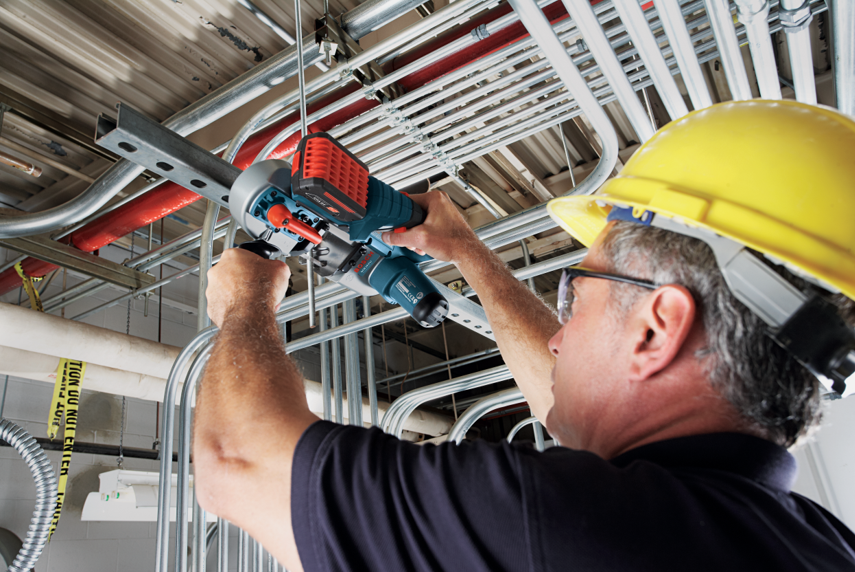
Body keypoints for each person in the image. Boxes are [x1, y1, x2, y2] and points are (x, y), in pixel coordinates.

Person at [193, 100, 855, 571]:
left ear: (657, 328)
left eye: (577, 294)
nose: (560, 339)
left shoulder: (560, 521)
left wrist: (243, 301)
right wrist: (466, 253)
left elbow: (233, 459)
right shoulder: (812, 542)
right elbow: (578, 407)